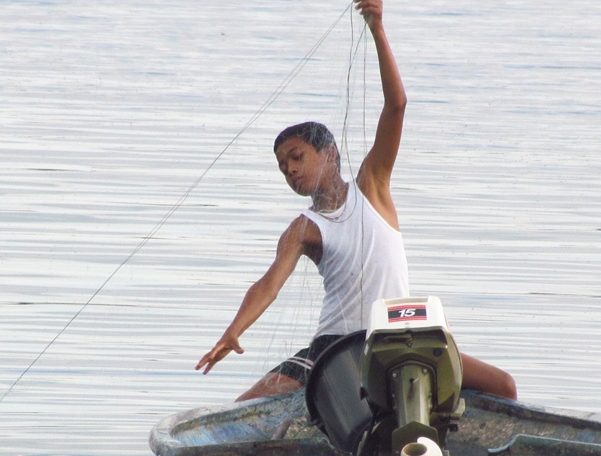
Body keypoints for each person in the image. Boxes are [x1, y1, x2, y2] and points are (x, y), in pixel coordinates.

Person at [195, 0, 517, 402]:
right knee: (247, 407)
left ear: (329, 153)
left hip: (399, 337)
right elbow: (268, 284)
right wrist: (234, 331)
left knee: (503, 386)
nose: (290, 170)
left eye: (297, 157)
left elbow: (396, 106)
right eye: (282, 167)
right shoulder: (303, 227)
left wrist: (377, 28)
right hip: (334, 348)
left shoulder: (373, 186)